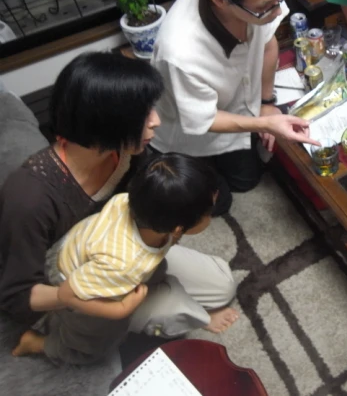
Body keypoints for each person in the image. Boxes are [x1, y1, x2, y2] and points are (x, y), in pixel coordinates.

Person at [0, 53, 238, 343]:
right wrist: (86, 299)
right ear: (105, 122)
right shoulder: (29, 198)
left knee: (222, 284)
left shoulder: (126, 152)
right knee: (176, 312)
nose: (156, 121)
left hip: (125, 250)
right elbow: (18, 296)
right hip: (72, 282)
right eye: (142, 114)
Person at [151, 0, 318, 216]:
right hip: (190, 131)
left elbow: (267, 44)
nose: (277, 11)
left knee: (248, 182)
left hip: (239, 107)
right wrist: (265, 124)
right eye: (264, 7)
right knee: (216, 205)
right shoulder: (179, 51)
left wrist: (267, 104)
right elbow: (202, 119)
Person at [11, 153, 221, 364]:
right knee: (91, 346)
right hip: (73, 283)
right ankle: (37, 343)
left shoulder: (132, 201)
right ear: (178, 228)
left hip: (75, 249)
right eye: (209, 211)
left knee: (155, 271)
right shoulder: (124, 264)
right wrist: (120, 309)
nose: (212, 211)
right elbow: (66, 295)